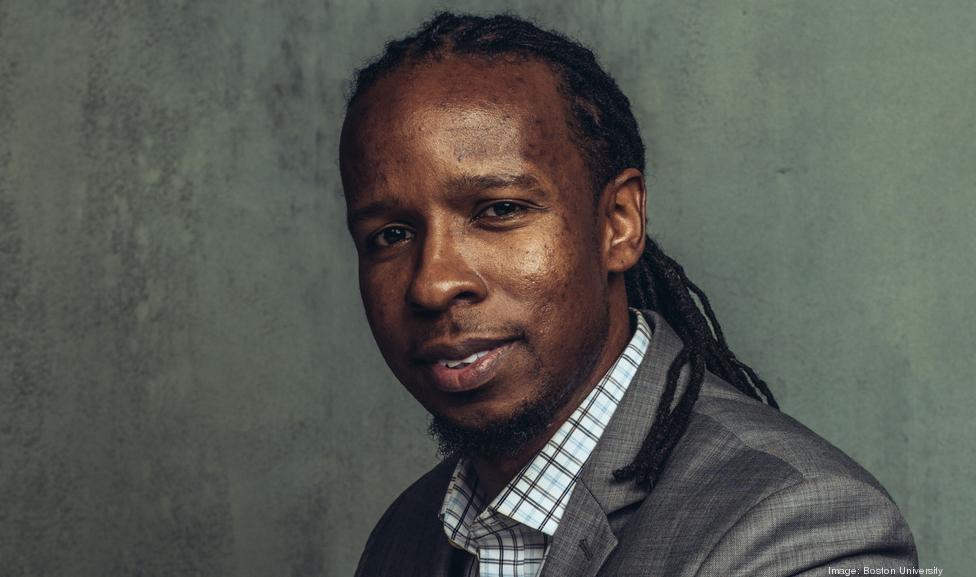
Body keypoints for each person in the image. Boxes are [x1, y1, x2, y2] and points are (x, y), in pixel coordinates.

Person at [339, 12, 917, 577]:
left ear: (619, 222)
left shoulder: (805, 528)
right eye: (391, 235)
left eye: (499, 210)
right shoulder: (409, 532)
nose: (433, 284)